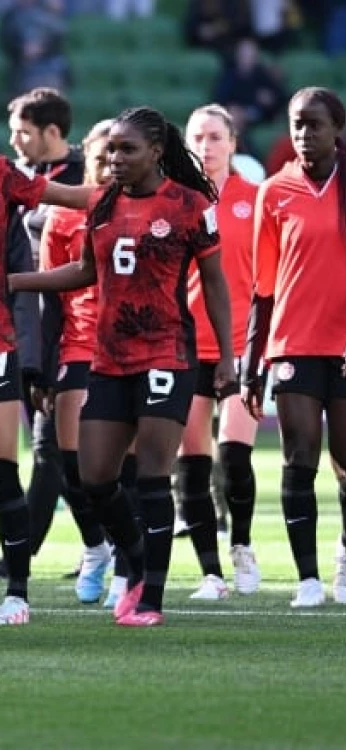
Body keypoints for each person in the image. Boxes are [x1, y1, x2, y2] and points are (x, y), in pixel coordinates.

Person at [10, 106, 235, 627]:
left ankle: (150, 599)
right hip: (108, 359)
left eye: (127, 149)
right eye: (110, 149)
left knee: (154, 477)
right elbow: (86, 270)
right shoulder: (103, 204)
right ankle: (135, 562)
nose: (115, 158)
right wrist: (16, 282)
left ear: (156, 152)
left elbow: (216, 283)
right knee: (94, 477)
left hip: (166, 355)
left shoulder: (190, 204)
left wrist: (224, 356)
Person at [241, 87, 346, 608]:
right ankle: (307, 579)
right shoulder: (274, 191)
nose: (304, 135)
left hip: (344, 343)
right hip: (292, 341)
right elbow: (263, 286)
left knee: (345, 461)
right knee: (299, 453)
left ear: (337, 129)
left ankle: (345, 561)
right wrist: (250, 363)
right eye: (297, 124)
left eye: (315, 124)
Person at [0, 87, 86, 583]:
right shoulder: (22, 178)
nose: (17, 141)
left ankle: (24, 550)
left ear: (53, 132)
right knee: (57, 450)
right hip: (21, 323)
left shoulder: (84, 177)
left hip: (68, 325)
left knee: (54, 448)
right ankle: (99, 543)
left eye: (25, 131)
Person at [37, 118, 127, 605]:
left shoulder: (148, 209)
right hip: (77, 346)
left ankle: (126, 566)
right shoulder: (66, 216)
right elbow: (50, 298)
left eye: (118, 156)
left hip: (131, 349)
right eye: (101, 157)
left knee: (123, 471)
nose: (110, 166)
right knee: (72, 468)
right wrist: (43, 369)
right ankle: (96, 547)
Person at [178, 103, 261, 601]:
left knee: (234, 454)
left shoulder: (256, 199)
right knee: (191, 459)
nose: (205, 146)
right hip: (188, 348)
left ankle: (243, 547)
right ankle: (211, 573)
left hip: (241, 350)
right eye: (197, 138)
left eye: (214, 137)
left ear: (232, 143)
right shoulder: (177, 203)